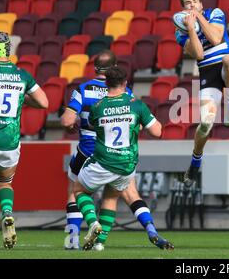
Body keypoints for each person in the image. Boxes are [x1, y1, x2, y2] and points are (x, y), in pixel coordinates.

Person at [61, 51, 172, 251]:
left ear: (95, 68)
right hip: (125, 157)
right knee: (117, 195)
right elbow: (144, 128)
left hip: (92, 150)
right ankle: (103, 242)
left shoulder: (85, 92)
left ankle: (73, 240)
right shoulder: (131, 99)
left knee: (75, 191)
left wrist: (75, 124)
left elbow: (70, 121)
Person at [174, 0, 229, 187]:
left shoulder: (215, 13)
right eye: (188, 3)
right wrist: (191, 28)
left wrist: (200, 19)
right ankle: (196, 159)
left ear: (201, 4)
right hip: (207, 73)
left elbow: (215, 39)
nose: (193, 5)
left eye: (196, 1)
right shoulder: (180, 30)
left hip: (226, 65)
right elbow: (199, 55)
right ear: (183, 9)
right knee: (205, 124)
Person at [0, 32, 48, 249]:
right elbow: (44, 102)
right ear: (9, 50)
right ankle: (7, 212)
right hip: (9, 141)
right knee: (4, 182)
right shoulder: (22, 75)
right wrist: (21, 99)